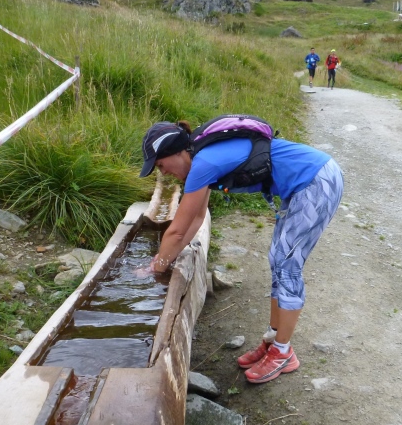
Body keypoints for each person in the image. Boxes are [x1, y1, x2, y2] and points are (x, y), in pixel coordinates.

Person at [139, 119, 344, 383]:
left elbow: (176, 232)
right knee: (278, 259)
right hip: (305, 182)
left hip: (318, 180)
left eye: (160, 165)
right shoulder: (201, 159)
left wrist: (156, 269)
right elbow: (196, 219)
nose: (164, 172)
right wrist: (165, 259)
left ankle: (283, 353)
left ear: (177, 152)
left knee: (287, 264)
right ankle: (273, 339)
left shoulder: (203, 164)